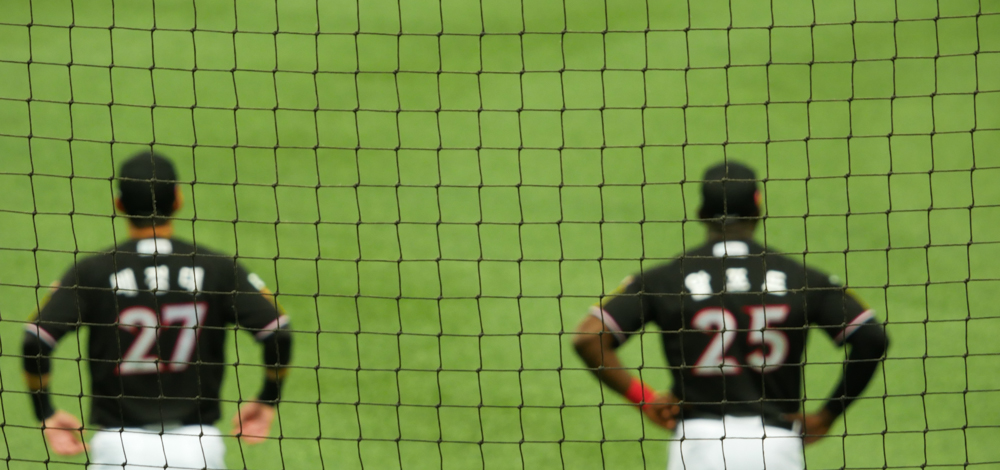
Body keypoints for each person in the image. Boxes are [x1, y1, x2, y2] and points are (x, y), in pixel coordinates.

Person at [572, 161, 889, 470]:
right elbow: (871, 338)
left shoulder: (665, 279)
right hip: (776, 445)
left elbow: (589, 337)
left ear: (701, 213)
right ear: (758, 210)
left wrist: (643, 397)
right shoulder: (803, 278)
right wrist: (828, 415)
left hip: (698, 445)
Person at [22, 152, 292, 470]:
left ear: (119, 204)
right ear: (178, 199)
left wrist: (46, 412)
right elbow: (277, 332)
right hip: (197, 448)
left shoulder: (93, 272)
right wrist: (267, 399)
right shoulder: (217, 268)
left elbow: (36, 340)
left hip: (119, 449)